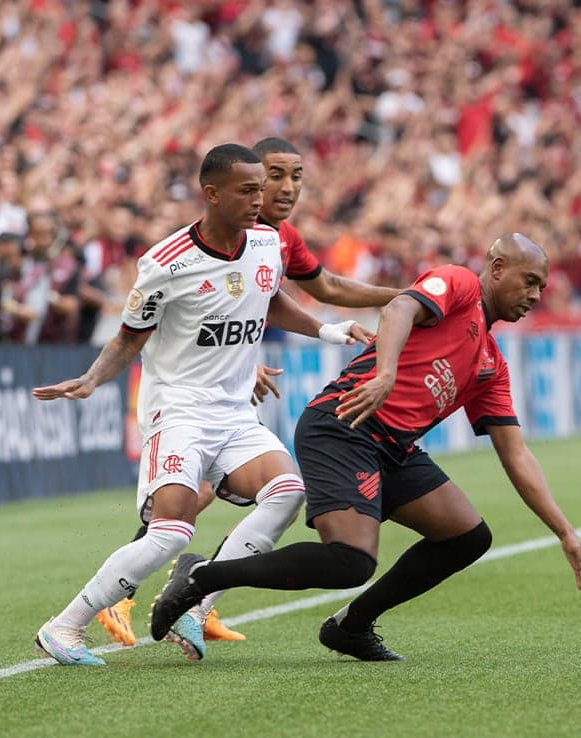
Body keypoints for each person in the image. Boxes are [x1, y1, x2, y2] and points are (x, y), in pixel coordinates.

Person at [150, 233, 581, 661]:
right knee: (350, 562)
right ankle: (200, 578)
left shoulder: (491, 364)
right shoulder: (461, 285)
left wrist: (564, 531)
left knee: (467, 536)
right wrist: (385, 373)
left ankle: (351, 625)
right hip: (344, 423)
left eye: (542, 287)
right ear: (498, 268)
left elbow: (516, 453)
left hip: (394, 449)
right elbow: (401, 308)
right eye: (530, 281)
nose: (536, 294)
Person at [31, 143, 370, 666]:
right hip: (179, 411)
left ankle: (197, 601)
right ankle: (64, 626)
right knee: (171, 533)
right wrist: (93, 380)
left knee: (286, 491)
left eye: (263, 188)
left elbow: (268, 297)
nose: (261, 199)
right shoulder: (165, 264)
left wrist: (327, 329)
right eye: (248, 190)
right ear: (211, 194)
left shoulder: (265, 243)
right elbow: (128, 337)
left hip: (234, 413)